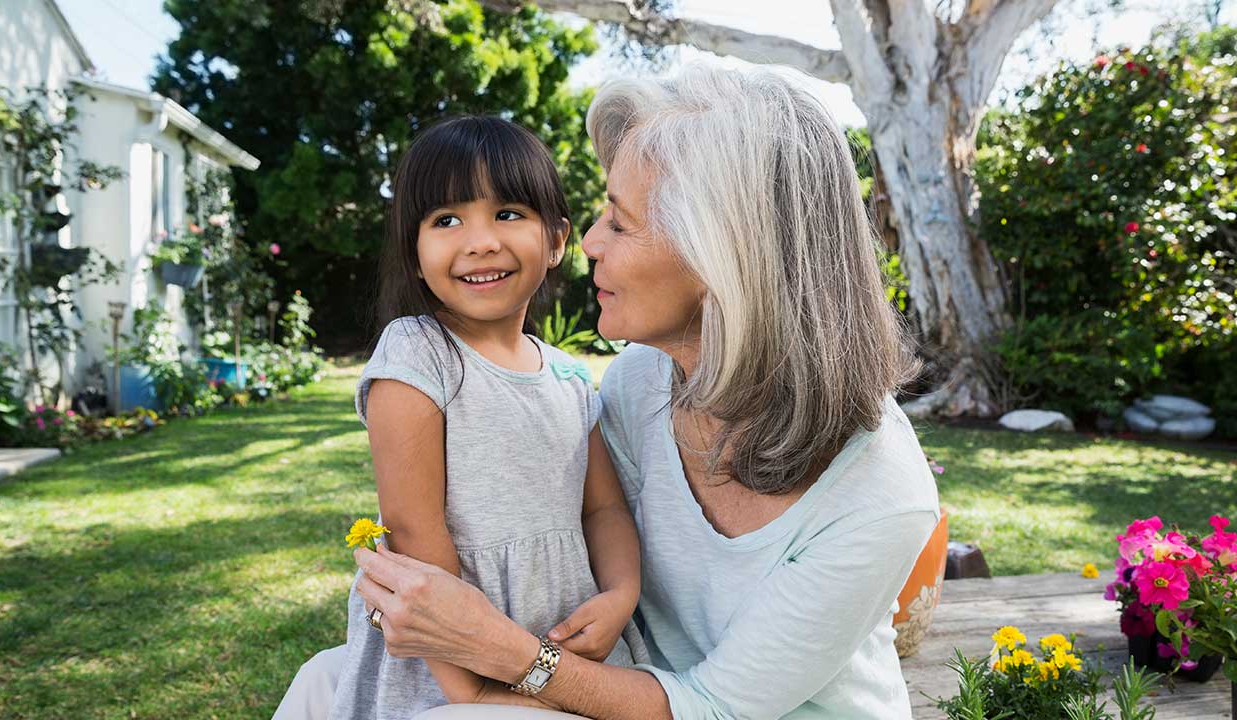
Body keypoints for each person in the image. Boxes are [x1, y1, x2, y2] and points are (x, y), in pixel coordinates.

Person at [281, 60, 940, 720]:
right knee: (323, 683)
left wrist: (503, 655)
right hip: (622, 681)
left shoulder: (879, 493)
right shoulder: (639, 381)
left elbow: (712, 707)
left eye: (620, 223)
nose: (587, 240)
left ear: (723, 258)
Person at [272, 116, 650, 720]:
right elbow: (412, 530)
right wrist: (470, 687)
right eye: (446, 220)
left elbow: (602, 508)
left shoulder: (572, 380)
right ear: (416, 254)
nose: (480, 241)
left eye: (507, 214)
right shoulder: (418, 354)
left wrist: (620, 595)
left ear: (556, 240)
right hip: (444, 666)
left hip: (558, 644)